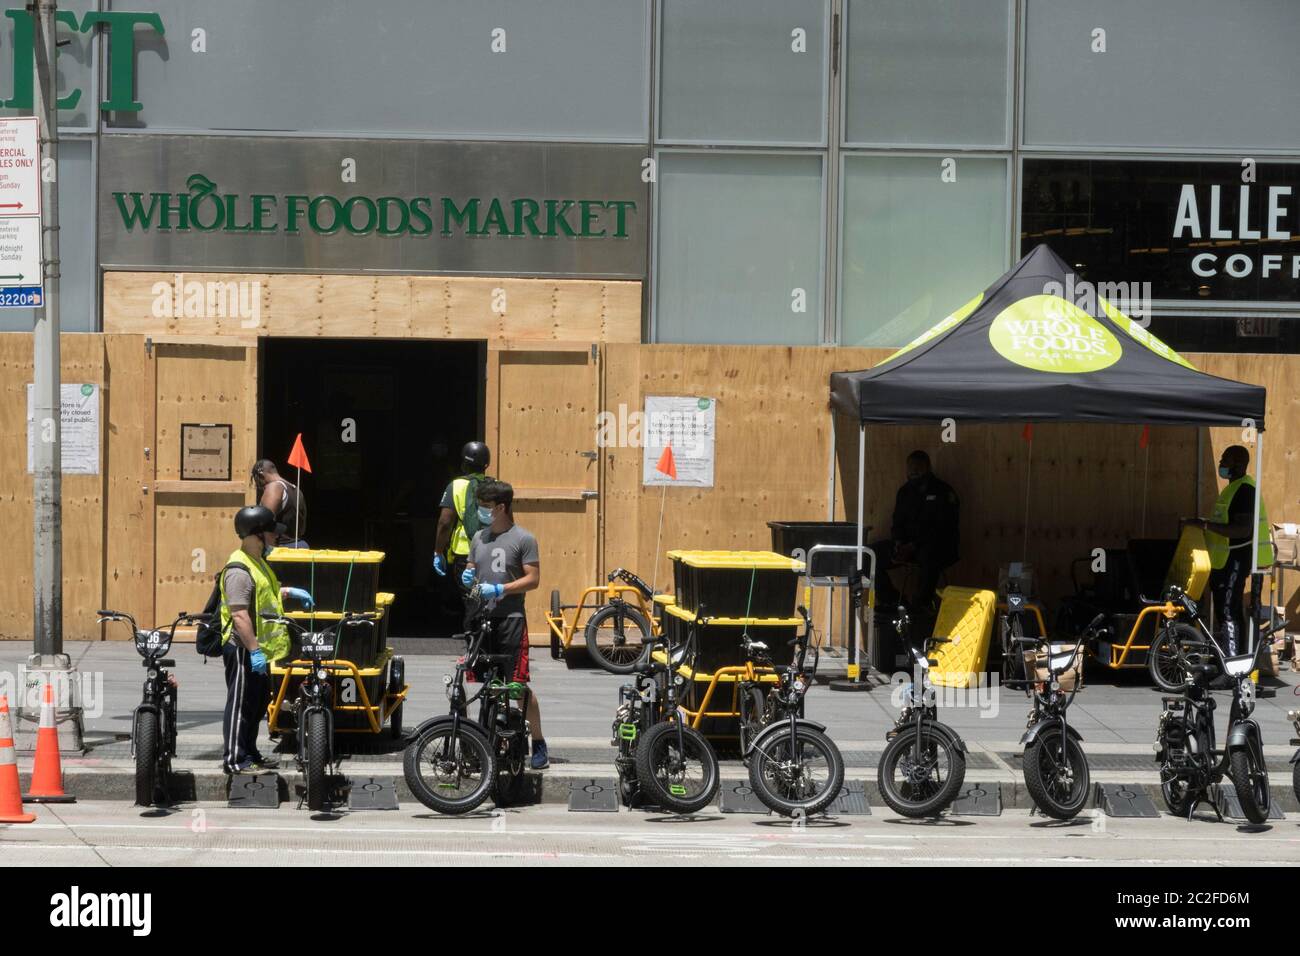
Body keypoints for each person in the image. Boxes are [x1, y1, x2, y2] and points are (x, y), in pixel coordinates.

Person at [219, 505, 314, 774]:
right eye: (271, 533)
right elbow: (239, 615)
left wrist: (289, 592)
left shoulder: (258, 563)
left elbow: (264, 596)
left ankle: (250, 753)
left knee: (256, 704)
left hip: (260, 650)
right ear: (255, 534)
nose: (276, 537)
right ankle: (235, 760)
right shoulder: (238, 569)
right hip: (243, 649)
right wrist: (254, 651)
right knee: (240, 704)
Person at [460, 479, 548, 770]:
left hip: (510, 619)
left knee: (516, 686)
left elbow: (533, 579)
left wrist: (502, 589)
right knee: (480, 683)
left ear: (501, 507)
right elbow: (473, 568)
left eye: (485, 507)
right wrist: (468, 575)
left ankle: (538, 740)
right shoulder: (479, 537)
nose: (481, 512)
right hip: (481, 621)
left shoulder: (524, 539)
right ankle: (480, 742)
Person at [1183, 445, 1273, 659]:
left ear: (1239, 465)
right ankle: (1231, 659)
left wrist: (1204, 525)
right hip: (1224, 561)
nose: (1221, 464)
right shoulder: (1232, 488)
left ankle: (1232, 665)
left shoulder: (1245, 490)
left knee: (1229, 611)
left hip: (1237, 560)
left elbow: (1242, 529)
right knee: (1227, 611)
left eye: (1226, 460)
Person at [870, 450, 960, 615]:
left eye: (918, 468)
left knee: (929, 555)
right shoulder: (905, 492)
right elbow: (897, 522)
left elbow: (943, 530)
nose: (913, 472)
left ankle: (920, 607)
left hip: (938, 548)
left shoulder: (942, 491)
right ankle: (895, 601)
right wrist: (898, 544)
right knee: (869, 554)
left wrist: (913, 545)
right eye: (910, 469)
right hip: (906, 547)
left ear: (928, 468)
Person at [433, 442, 492, 587]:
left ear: (464, 464)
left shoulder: (456, 485)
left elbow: (445, 523)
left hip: (464, 553)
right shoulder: (496, 485)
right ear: (486, 464)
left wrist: (438, 552)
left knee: (470, 598)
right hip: (493, 551)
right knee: (490, 598)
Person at [251, 459, 308, 548]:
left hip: (281, 550)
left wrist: (268, 550)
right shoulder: (297, 490)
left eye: (256, 480)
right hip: (300, 545)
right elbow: (302, 527)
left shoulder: (274, 487)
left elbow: (266, 522)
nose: (259, 486)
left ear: (261, 475)